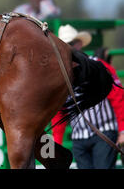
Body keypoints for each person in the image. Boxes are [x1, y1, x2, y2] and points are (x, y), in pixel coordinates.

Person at [52, 25, 124, 169]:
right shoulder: (60, 76)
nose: (68, 49)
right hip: (79, 138)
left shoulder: (99, 66)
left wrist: (122, 130)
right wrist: (57, 144)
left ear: (78, 44)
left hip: (104, 132)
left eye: (70, 45)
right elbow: (60, 111)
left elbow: (118, 97)